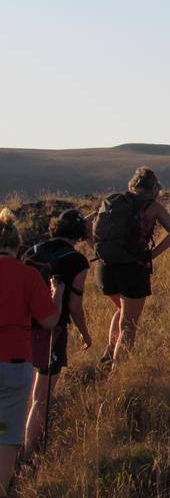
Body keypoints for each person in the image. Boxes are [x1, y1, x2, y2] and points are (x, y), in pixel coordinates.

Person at [22, 209, 92, 461]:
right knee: (41, 399)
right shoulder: (77, 261)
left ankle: (10, 444)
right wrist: (85, 334)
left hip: (20, 330)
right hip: (51, 331)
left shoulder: (33, 250)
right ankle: (27, 456)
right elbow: (74, 307)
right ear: (80, 233)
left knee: (19, 393)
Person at [0, 208, 60, 495]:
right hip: (14, 365)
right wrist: (56, 293)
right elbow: (49, 321)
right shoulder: (28, 276)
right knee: (7, 434)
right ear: (17, 246)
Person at [96, 168, 170, 364]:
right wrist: (152, 254)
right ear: (154, 188)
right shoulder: (153, 206)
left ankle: (109, 351)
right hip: (132, 267)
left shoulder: (114, 201)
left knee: (122, 310)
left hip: (105, 267)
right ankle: (118, 373)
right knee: (129, 325)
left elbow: (87, 223)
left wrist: (98, 250)